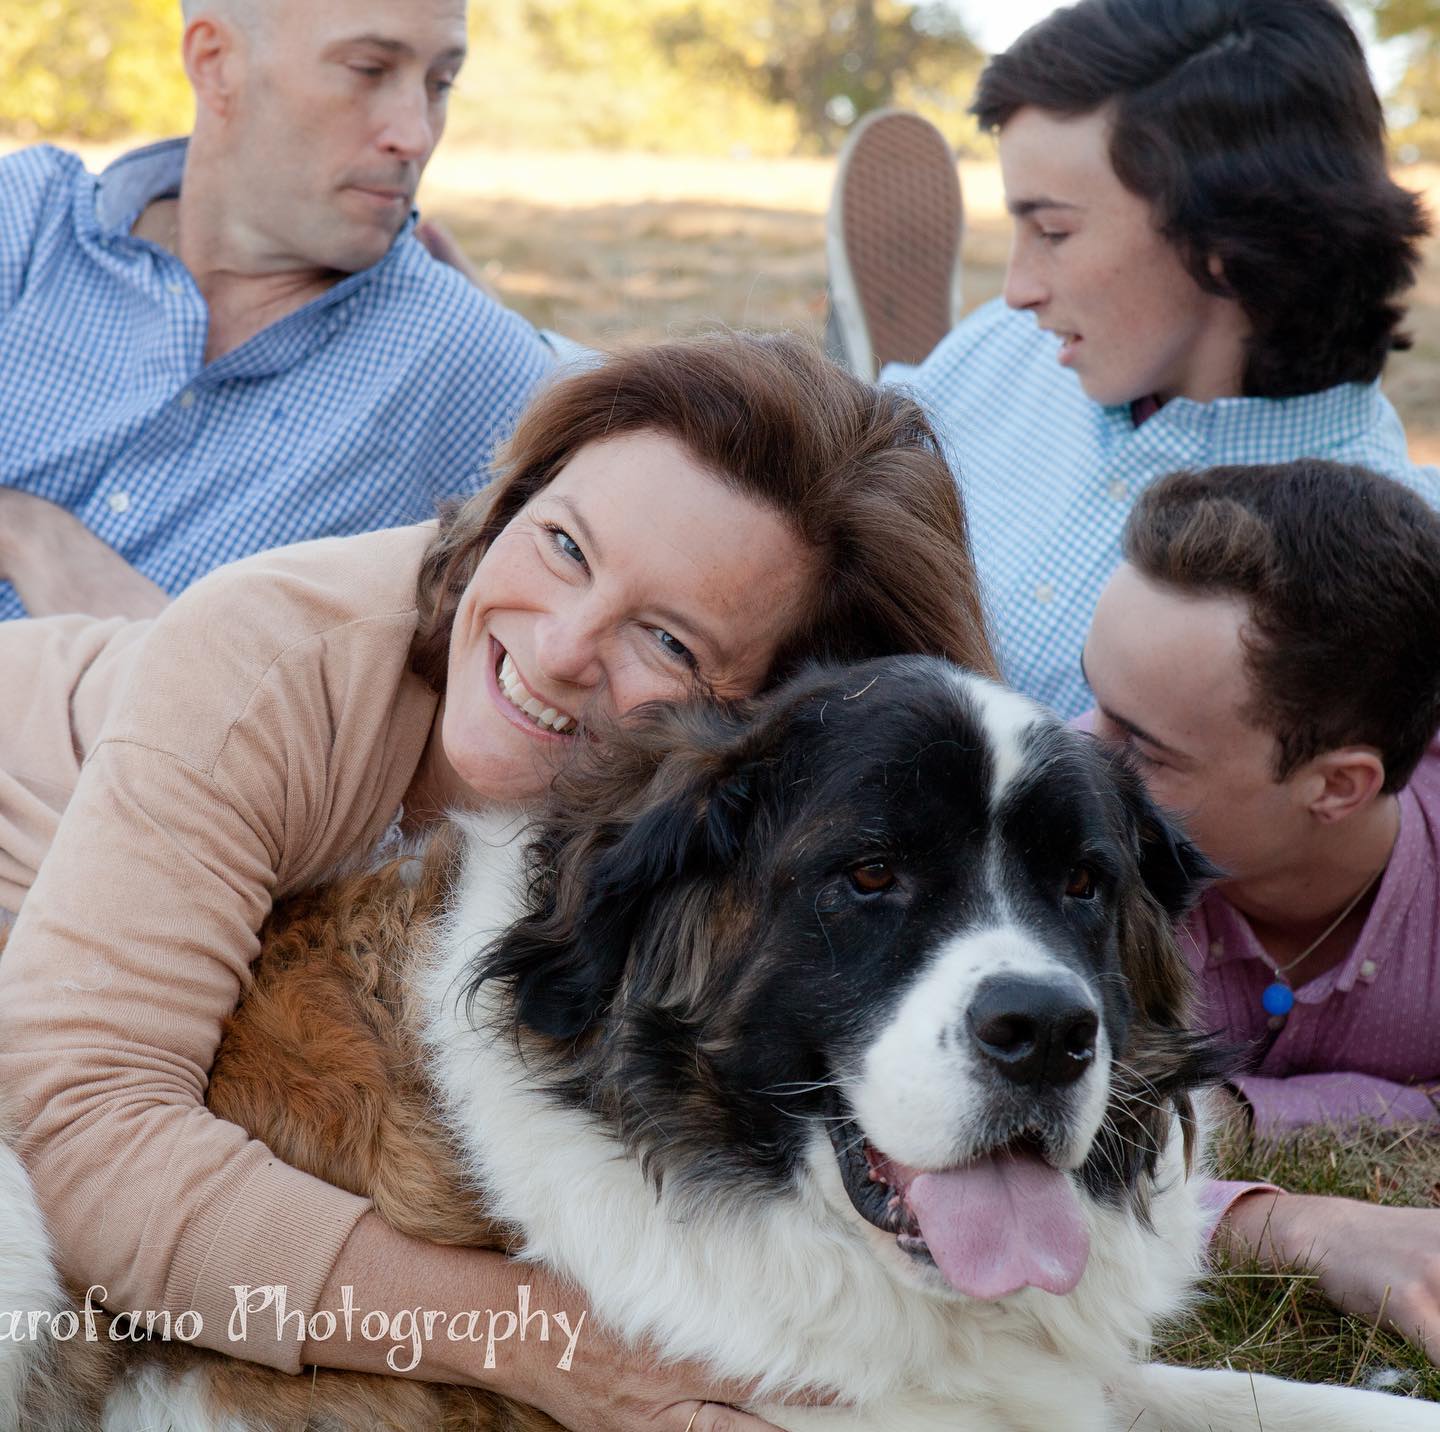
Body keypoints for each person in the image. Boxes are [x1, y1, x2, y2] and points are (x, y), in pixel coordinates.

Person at [0, 332, 997, 1431]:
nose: (562, 644)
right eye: (564, 545)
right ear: (509, 500)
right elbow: (79, 1138)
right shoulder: (267, 663)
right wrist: (539, 1342)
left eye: (666, 639)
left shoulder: (731, 852)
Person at [826, 0, 1440, 718]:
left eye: (1053, 231)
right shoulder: (1019, 342)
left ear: (1225, 237)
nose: (1017, 290)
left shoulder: (1363, 560)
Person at [0, 0, 552, 623]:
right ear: (216, 63)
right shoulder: (25, 219)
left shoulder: (464, 356)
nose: (417, 136)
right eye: (369, 69)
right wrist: (29, 531)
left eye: (440, 83)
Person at [1081, 458, 1440, 1361]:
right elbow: (1047, 1172)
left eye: (1143, 749)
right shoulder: (1055, 876)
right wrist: (1293, 1224)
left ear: (1337, 786)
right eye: (1094, 699)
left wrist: (1233, 1111)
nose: (1074, 753)